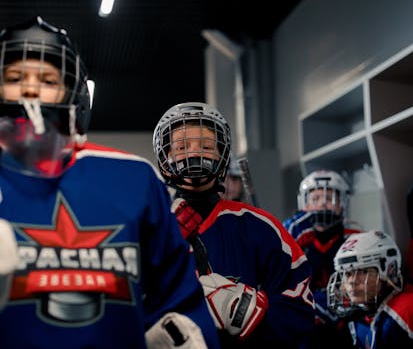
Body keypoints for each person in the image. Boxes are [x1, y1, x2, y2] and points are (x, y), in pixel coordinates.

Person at [0, 17, 220, 349]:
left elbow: (178, 294)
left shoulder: (133, 176)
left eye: (48, 79)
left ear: (72, 93)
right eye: (15, 77)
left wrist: (188, 332)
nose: (31, 89)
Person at [152, 101, 315, 348]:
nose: (194, 153)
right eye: (182, 146)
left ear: (222, 154)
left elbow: (301, 311)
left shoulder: (260, 227)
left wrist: (252, 312)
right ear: (167, 155)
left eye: (206, 145)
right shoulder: (151, 227)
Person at [283, 169, 362, 348]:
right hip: (306, 329)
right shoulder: (293, 236)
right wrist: (286, 243)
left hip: (347, 326)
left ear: (342, 204)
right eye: (316, 199)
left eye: (329, 199)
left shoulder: (356, 238)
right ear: (305, 204)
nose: (322, 205)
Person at [327, 230, 413, 348]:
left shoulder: (407, 309)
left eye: (363, 272)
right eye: (347, 274)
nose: (352, 281)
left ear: (390, 270)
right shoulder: (360, 312)